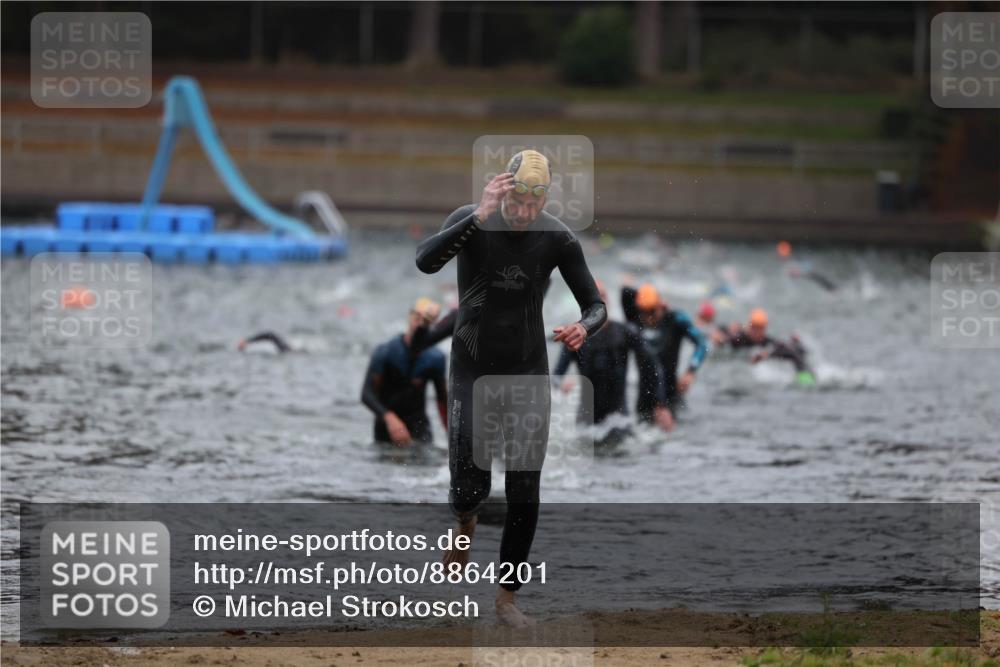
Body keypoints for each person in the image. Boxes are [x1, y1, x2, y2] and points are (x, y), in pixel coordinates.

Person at [415, 148, 606, 627]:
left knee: (524, 487)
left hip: (527, 372)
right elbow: (425, 262)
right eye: (515, 202)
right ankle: (465, 521)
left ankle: (507, 599)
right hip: (471, 371)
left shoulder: (558, 239)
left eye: (532, 205)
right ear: (503, 190)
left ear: (544, 200)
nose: (522, 213)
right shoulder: (471, 219)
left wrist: (584, 327)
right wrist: (479, 214)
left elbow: (595, 305)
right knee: (469, 486)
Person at [553, 280, 671, 444]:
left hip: (619, 419)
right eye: (590, 296)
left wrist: (660, 404)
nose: (596, 300)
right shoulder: (574, 337)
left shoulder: (624, 332)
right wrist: (564, 383)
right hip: (587, 423)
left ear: (606, 301)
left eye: (601, 296)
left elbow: (653, 365)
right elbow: (555, 377)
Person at [360, 298, 448, 446]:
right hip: (386, 429)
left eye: (425, 320)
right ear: (409, 317)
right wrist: (389, 418)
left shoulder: (435, 358)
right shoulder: (386, 352)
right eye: (417, 317)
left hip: (419, 429)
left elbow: (442, 400)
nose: (419, 323)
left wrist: (452, 435)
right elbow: (366, 394)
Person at [621, 282, 708, 429]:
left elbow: (702, 343)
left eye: (652, 311)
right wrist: (641, 295)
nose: (648, 317)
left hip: (670, 395)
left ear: (661, 305)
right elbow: (624, 291)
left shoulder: (675, 319)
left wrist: (690, 372)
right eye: (643, 312)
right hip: (644, 399)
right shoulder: (634, 323)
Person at [712, 308, 815, 385]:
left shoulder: (766, 341)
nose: (757, 332)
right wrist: (719, 338)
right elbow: (722, 337)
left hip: (760, 356)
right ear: (750, 326)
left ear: (765, 328)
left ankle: (805, 376)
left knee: (795, 349)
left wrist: (794, 342)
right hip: (738, 363)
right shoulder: (740, 338)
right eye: (755, 327)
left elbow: (782, 347)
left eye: (761, 328)